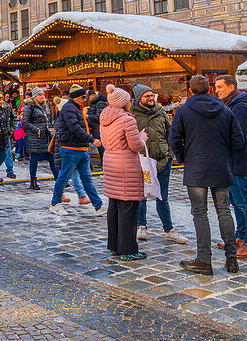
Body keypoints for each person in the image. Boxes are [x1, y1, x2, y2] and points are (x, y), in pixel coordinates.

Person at [170, 75, 245, 276]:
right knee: (224, 211)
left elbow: (174, 139)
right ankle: (232, 258)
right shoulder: (224, 109)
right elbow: (239, 140)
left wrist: (184, 157)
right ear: (210, 89)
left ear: (191, 91)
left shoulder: (184, 111)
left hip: (196, 167)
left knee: (200, 213)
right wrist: (224, 155)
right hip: (220, 166)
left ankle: (204, 259)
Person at [131, 84, 189, 245]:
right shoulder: (131, 114)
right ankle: (141, 226)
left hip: (162, 159)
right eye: (147, 96)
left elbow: (171, 133)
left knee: (162, 196)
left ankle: (169, 230)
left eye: (152, 95)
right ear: (138, 98)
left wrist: (170, 154)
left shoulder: (160, 112)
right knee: (141, 195)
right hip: (142, 161)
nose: (151, 98)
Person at [100, 84, 147, 260]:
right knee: (128, 207)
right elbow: (135, 145)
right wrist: (142, 138)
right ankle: (128, 250)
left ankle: (114, 246)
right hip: (126, 166)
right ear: (124, 102)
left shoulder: (104, 117)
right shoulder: (128, 119)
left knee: (114, 207)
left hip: (111, 163)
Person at [214, 75, 247, 258]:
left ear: (231, 87)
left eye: (219, 87)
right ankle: (240, 237)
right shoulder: (229, 104)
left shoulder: (241, 107)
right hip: (227, 161)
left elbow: (239, 137)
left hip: (236, 162)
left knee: (244, 203)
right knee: (236, 202)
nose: (216, 90)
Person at [49, 85, 105, 216]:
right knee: (63, 177)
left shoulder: (76, 108)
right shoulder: (69, 108)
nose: (85, 100)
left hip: (81, 148)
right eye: (83, 97)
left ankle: (98, 206)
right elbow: (74, 128)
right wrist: (91, 139)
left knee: (87, 178)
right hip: (70, 149)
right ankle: (55, 204)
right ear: (75, 97)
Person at [23, 89, 58, 190]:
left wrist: (52, 128)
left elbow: (50, 118)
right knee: (34, 158)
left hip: (47, 136)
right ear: (34, 96)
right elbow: (25, 123)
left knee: (51, 157)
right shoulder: (29, 107)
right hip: (36, 137)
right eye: (39, 95)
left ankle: (58, 179)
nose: (42, 97)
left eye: (43, 94)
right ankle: (33, 181)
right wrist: (36, 130)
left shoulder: (46, 105)